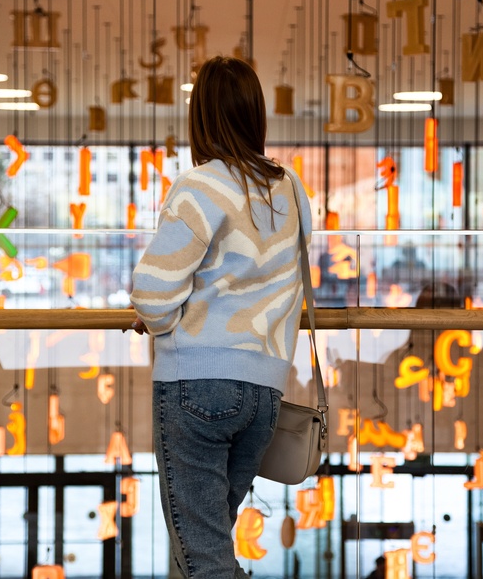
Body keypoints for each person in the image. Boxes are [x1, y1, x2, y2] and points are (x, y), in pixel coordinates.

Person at [129, 56, 312, 578]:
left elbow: (153, 291)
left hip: (197, 386)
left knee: (202, 558)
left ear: (200, 117)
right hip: (265, 393)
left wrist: (160, 323)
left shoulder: (202, 186)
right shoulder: (292, 190)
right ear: (255, 115)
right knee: (209, 551)